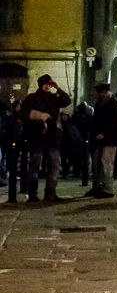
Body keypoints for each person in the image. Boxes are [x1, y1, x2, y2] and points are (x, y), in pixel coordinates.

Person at [20, 75, 72, 204]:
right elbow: (23, 113)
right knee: (34, 166)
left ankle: (51, 194)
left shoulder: (54, 98)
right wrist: (40, 116)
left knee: (54, 166)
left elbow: (66, 101)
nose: (49, 86)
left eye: (50, 84)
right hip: (36, 137)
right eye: (46, 84)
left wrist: (58, 88)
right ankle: (32, 194)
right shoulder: (32, 98)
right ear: (41, 84)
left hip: (52, 137)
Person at [85, 81, 117, 199]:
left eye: (104, 92)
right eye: (100, 92)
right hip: (97, 139)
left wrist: (105, 134)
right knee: (96, 164)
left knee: (106, 163)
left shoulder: (114, 104)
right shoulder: (98, 104)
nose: (102, 94)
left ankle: (107, 187)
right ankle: (96, 186)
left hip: (110, 139)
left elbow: (115, 122)